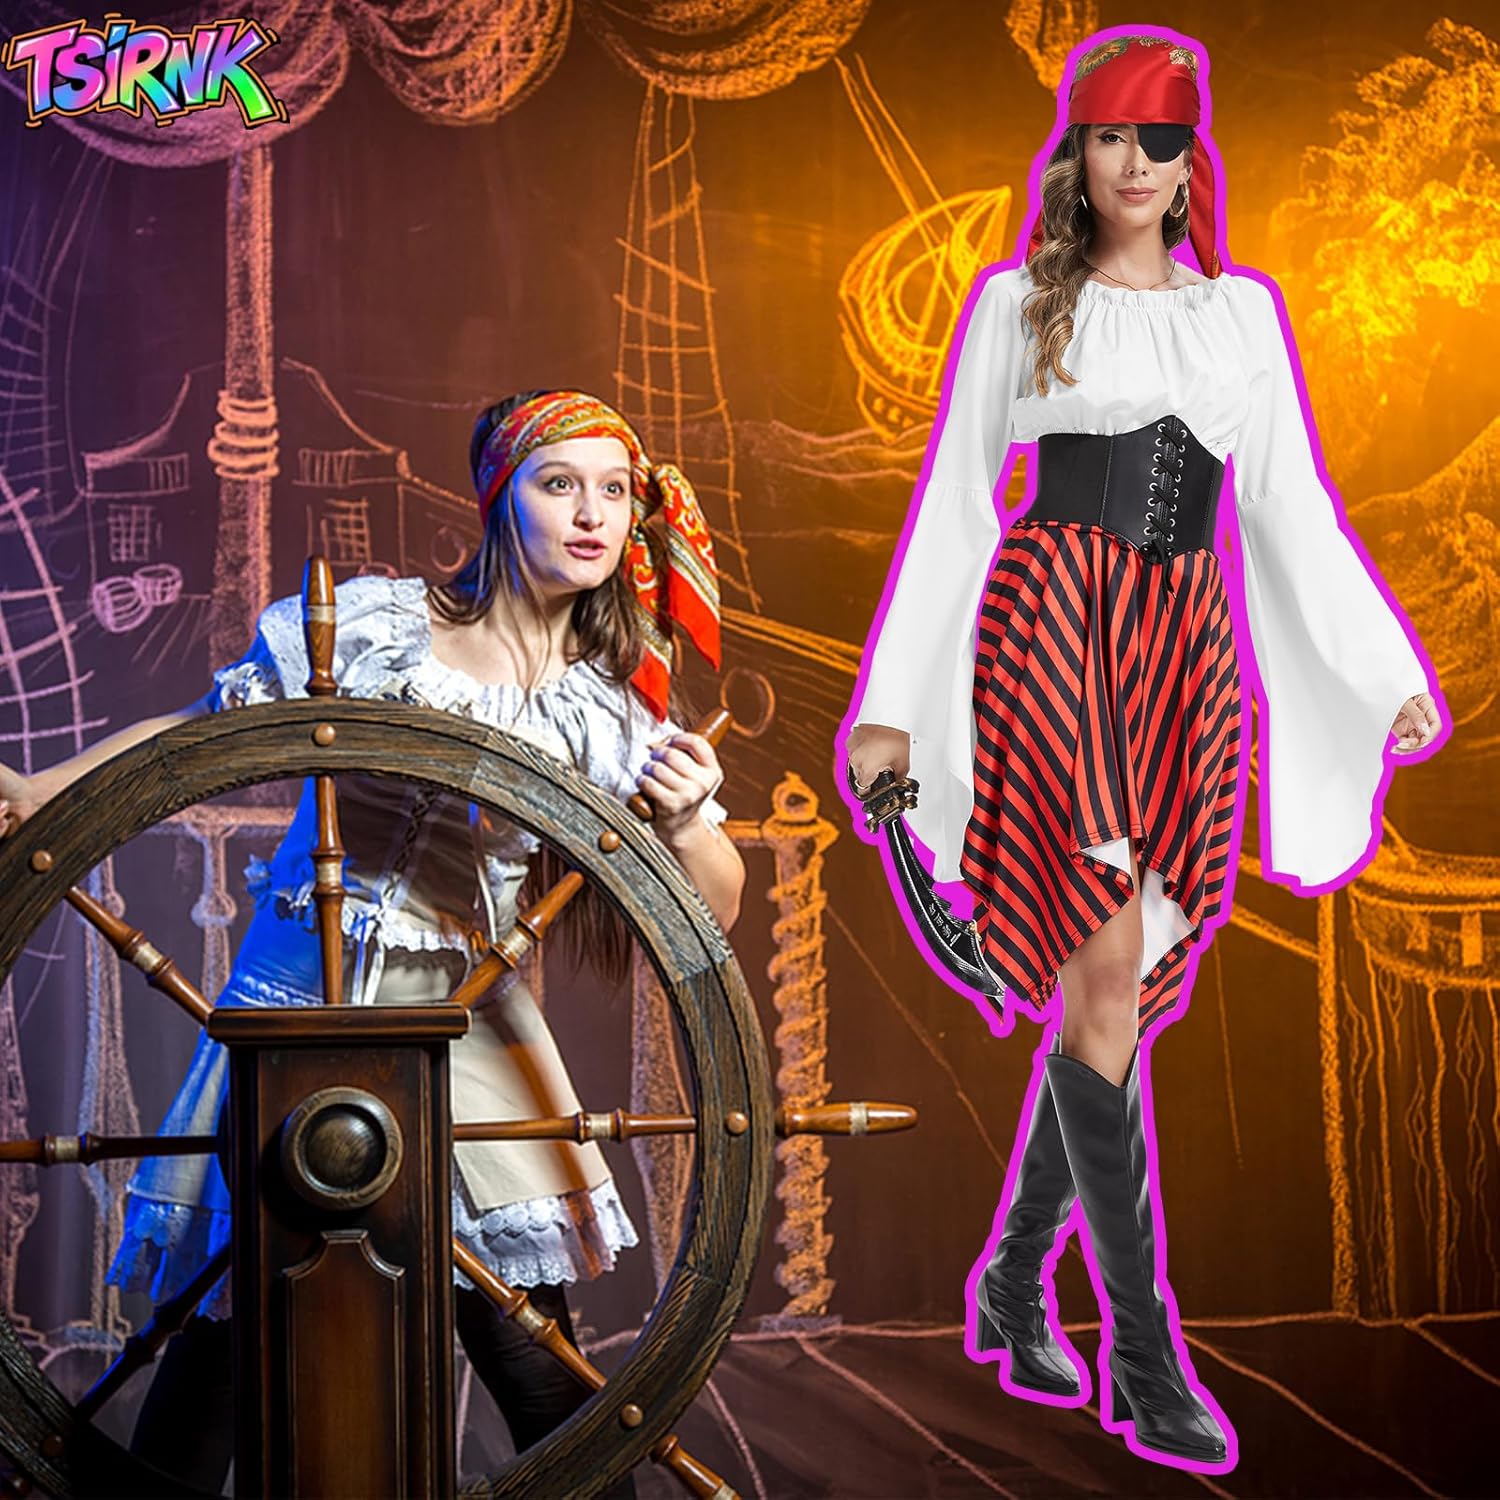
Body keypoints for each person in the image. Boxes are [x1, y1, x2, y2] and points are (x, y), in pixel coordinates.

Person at [842, 30, 1442, 1472]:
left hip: (1183, 645)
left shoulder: (1242, 316)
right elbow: (956, 505)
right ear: (1079, 155)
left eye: (1156, 142)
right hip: (1052, 621)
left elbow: (1289, 506)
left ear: (1187, 165)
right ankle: (1144, 1350)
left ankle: (1011, 1279)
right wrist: (893, 705)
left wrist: (1382, 675)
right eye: (1107, 137)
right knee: (1103, 959)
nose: (1131, 164)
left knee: (1113, 988)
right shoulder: (1016, 305)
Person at [0, 389, 744, 1492]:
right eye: (559, 485)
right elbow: (195, 742)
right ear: (499, 499)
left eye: (614, 491)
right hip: (295, 1007)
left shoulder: (610, 709)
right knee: (225, 1350)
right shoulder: (374, 627)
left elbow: (710, 915)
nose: (593, 515)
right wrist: (39, 791)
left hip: (467, 1027)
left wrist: (683, 822)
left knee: (538, 1366)